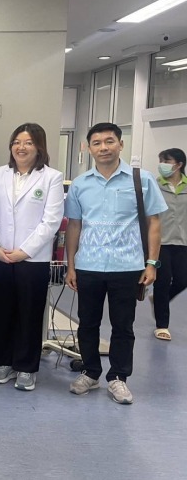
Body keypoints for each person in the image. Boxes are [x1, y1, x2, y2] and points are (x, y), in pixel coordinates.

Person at [65, 122, 167, 404]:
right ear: (88, 148)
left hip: (127, 266)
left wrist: (152, 264)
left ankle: (118, 377)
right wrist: (70, 265)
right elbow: (74, 226)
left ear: (121, 144)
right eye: (96, 143)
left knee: (123, 325)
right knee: (87, 324)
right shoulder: (80, 184)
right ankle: (90, 372)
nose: (103, 148)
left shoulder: (141, 179)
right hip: (89, 266)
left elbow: (154, 223)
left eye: (109, 141)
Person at [0, 123, 64, 391]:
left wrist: (23, 251)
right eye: (17, 141)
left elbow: (50, 221)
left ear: (39, 146)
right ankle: (4, 362)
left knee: (30, 313)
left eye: (28, 142)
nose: (21, 147)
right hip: (1, 256)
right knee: (3, 310)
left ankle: (27, 368)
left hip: (33, 259)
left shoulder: (51, 177)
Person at [152, 148, 186, 341]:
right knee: (162, 283)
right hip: (161, 242)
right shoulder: (156, 186)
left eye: (167, 160)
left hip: (183, 241)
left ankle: (157, 301)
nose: (163, 164)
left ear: (179, 164)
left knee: (182, 280)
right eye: (161, 160)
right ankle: (162, 325)